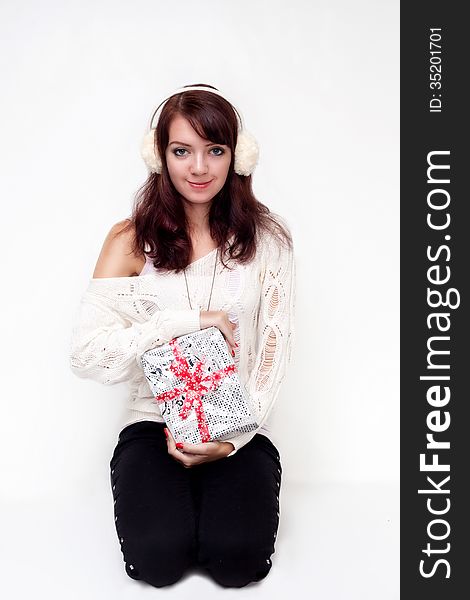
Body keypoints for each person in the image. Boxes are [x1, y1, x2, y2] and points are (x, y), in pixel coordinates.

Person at [69, 83, 296, 588]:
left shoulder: (269, 239)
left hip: (236, 426)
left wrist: (232, 443)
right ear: (160, 155)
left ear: (237, 156)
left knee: (238, 564)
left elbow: (275, 350)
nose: (199, 168)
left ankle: (226, 488)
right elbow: (87, 354)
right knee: (158, 563)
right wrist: (186, 322)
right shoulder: (129, 239)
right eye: (181, 151)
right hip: (153, 423)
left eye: (215, 150)